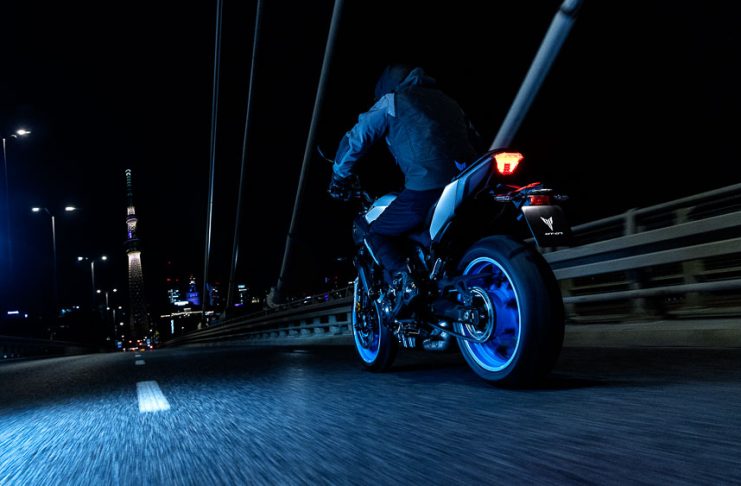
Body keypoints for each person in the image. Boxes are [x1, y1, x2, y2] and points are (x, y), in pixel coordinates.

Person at [328, 64, 480, 298]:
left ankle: (406, 281)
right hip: (468, 182)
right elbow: (475, 138)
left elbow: (356, 139)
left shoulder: (392, 101)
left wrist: (339, 175)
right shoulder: (448, 101)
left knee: (376, 234)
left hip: (427, 185)